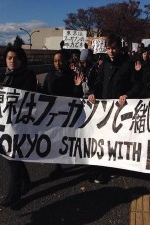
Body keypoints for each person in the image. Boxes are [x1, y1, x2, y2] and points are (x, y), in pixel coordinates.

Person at [0, 45, 37, 207]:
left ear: (21, 59)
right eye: (9, 58)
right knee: (12, 155)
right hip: (4, 125)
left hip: (20, 125)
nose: (12, 61)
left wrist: (4, 89)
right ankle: (26, 181)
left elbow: (27, 95)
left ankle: (14, 194)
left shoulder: (28, 75)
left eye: (15, 58)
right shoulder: (3, 76)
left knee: (12, 157)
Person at [88, 33, 133, 184]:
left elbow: (136, 84)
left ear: (119, 48)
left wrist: (127, 95)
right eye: (108, 48)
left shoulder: (127, 64)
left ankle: (112, 168)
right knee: (103, 138)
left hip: (120, 109)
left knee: (116, 139)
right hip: (104, 108)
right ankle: (102, 168)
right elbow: (98, 82)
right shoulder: (104, 64)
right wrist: (92, 92)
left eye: (114, 48)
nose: (111, 51)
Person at [41, 50, 84, 177]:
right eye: (55, 61)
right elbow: (44, 93)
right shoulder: (49, 76)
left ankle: (73, 158)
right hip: (53, 113)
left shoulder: (72, 75)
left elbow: (78, 96)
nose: (57, 63)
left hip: (67, 113)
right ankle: (57, 165)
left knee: (67, 138)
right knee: (54, 138)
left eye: (60, 60)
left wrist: (77, 86)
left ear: (66, 61)